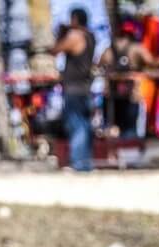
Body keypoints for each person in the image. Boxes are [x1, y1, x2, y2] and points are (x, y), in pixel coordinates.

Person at [99, 20, 159, 137]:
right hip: (131, 96)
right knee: (129, 132)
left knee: (111, 131)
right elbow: (152, 62)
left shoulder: (109, 49)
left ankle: (114, 152)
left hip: (111, 97)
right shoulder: (137, 48)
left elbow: (99, 65)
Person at [52, 7, 96, 171]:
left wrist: (62, 33)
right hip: (85, 87)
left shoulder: (75, 36)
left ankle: (78, 163)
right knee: (84, 124)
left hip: (74, 88)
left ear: (75, 19)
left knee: (76, 124)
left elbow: (55, 50)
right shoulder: (91, 36)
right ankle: (85, 162)